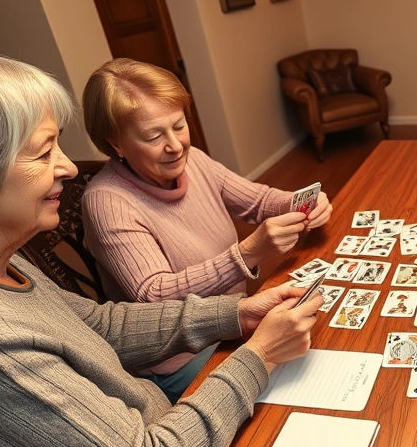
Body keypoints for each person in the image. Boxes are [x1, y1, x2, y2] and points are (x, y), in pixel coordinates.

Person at [0, 46, 318, 447]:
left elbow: (100, 324)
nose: (70, 168)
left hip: (164, 435)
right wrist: (257, 355)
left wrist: (236, 313)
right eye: (43, 152)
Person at [81, 58, 333, 402]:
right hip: (180, 359)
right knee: (300, 393)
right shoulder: (106, 202)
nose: (175, 145)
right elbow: (155, 298)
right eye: (154, 135)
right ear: (116, 144)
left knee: (325, 350)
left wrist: (303, 201)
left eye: (179, 125)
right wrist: (247, 253)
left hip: (239, 319)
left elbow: (258, 201)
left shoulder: (193, 159)